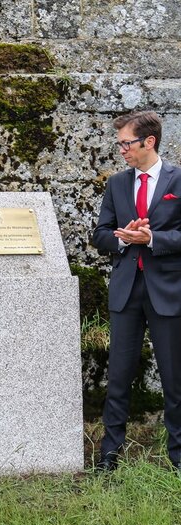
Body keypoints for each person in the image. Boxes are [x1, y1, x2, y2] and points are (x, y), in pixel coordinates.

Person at [92, 110, 181, 473]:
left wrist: (153, 238)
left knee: (174, 379)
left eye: (127, 143)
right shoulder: (117, 184)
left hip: (168, 292)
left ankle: (177, 456)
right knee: (118, 376)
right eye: (120, 144)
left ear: (149, 142)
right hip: (126, 291)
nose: (122, 151)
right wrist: (124, 238)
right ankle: (109, 454)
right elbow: (100, 234)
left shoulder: (179, 180)